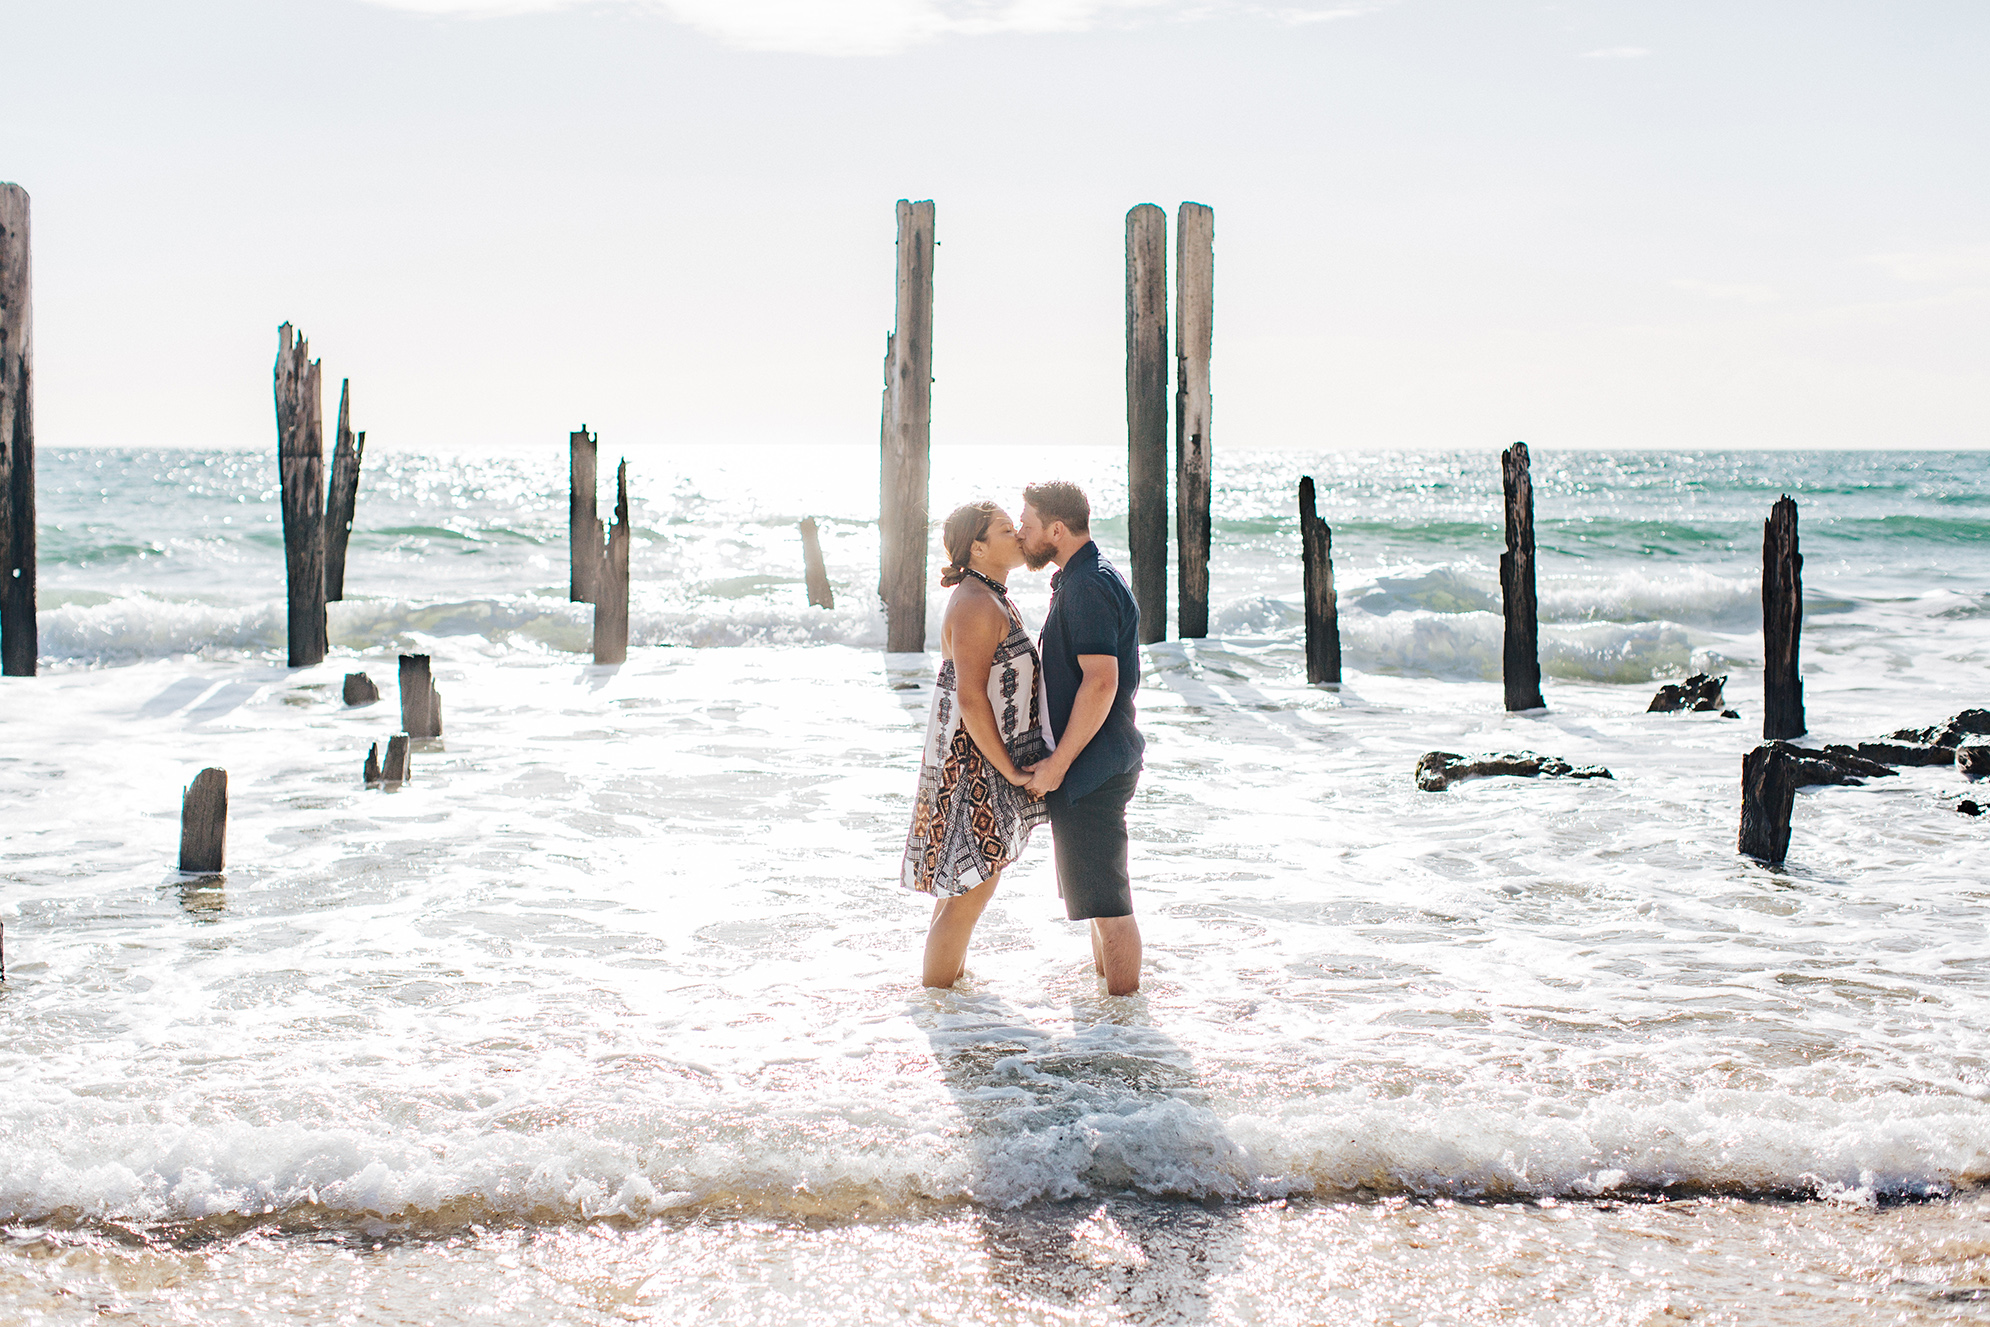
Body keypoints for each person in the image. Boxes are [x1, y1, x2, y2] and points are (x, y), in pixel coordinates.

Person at [901, 501, 1055, 988]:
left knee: (964, 891)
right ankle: (940, 1010)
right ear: (978, 547)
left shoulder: (989, 596)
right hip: (973, 767)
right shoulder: (975, 603)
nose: (1018, 536)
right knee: (970, 894)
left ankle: (945, 1006)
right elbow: (969, 697)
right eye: (1006, 530)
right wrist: (1010, 772)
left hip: (976, 759)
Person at [1016, 481, 1145, 996]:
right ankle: (1113, 1021)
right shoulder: (1085, 576)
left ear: (1057, 529)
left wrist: (1059, 764)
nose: (1021, 534)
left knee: (1110, 906)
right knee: (1097, 899)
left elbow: (1101, 681)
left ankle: (1125, 1030)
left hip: (1092, 766)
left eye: (1027, 525)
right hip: (1096, 762)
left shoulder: (1088, 584)